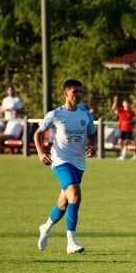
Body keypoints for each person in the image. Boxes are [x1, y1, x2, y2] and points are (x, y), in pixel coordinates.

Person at [34, 79, 96, 254]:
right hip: (61, 160)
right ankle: (71, 242)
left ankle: (45, 227)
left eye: (80, 91)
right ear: (66, 93)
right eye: (75, 91)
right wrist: (40, 153)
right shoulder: (55, 114)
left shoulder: (85, 114)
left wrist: (93, 146)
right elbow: (38, 134)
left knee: (63, 203)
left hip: (79, 163)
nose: (78, 95)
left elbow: (92, 135)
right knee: (75, 196)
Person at [112, 96, 136, 160]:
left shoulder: (131, 112)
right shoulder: (121, 110)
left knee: (126, 142)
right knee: (119, 142)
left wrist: (128, 122)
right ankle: (124, 154)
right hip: (122, 129)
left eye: (127, 103)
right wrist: (115, 102)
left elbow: (134, 120)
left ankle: (124, 154)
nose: (125, 104)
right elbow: (114, 109)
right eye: (124, 103)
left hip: (128, 129)